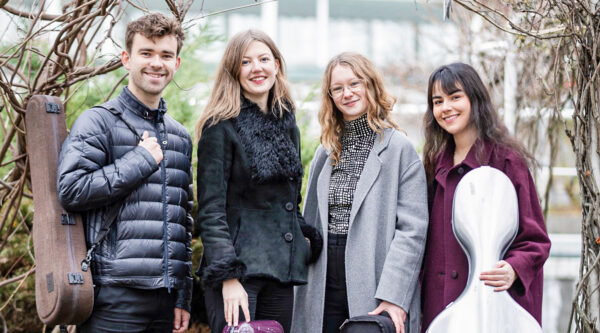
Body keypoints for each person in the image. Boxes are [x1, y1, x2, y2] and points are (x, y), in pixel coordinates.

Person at [57, 13, 193, 333]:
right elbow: (71, 190)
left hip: (166, 298)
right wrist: (140, 160)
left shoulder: (180, 137)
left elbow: (182, 219)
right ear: (126, 59)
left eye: (166, 55)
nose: (156, 63)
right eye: (146, 53)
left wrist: (183, 294)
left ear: (177, 63)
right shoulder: (98, 122)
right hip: (113, 294)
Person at [194, 29, 323, 333]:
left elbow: (290, 199)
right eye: (246, 62)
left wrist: (304, 238)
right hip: (239, 275)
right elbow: (211, 212)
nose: (257, 68)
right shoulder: (219, 127)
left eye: (264, 59)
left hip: (280, 270)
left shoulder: (286, 122)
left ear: (276, 65)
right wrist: (229, 277)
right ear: (234, 71)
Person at [292, 52, 428, 333]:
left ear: (371, 85)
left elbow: (412, 231)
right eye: (337, 88)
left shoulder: (400, 149)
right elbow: (311, 221)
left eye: (354, 84)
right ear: (330, 96)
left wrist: (393, 294)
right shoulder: (325, 152)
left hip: (375, 275)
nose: (347, 93)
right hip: (323, 273)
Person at [420, 62, 551, 331]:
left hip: (493, 307)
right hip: (441, 306)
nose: (446, 108)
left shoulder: (507, 160)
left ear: (475, 99)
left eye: (455, 97)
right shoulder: (434, 166)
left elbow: (535, 238)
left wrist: (514, 268)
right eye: (438, 101)